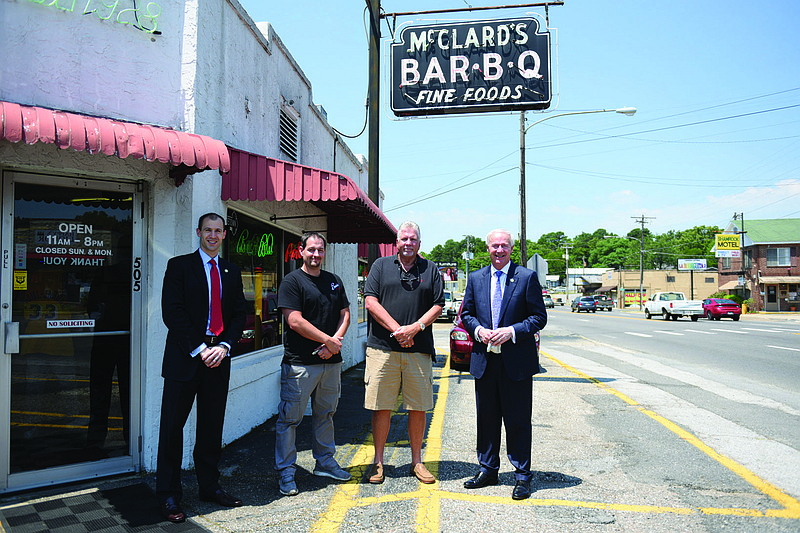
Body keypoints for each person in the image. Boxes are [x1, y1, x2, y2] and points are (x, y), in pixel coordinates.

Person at [156, 213, 247, 523]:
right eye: (207, 230)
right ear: (198, 232)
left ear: (223, 235)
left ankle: (209, 486)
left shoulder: (232, 272)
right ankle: (169, 494)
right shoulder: (180, 266)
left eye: (217, 231)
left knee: (210, 429)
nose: (212, 235)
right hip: (186, 357)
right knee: (172, 429)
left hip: (218, 359)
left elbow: (238, 315)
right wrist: (200, 348)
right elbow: (173, 312)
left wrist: (223, 346)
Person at [459, 229, 547, 500]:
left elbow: (538, 317)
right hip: (485, 360)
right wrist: (477, 331)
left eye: (504, 246)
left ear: (512, 248)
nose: (499, 250)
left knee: (518, 420)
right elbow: (466, 313)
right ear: (487, 248)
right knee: (487, 419)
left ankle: (522, 476)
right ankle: (488, 469)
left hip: (516, 362)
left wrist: (512, 331)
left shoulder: (526, 277)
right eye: (495, 246)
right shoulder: (475, 278)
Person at [363, 221, 444, 485]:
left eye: (413, 239)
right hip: (382, 348)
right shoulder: (380, 266)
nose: (408, 243)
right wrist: (399, 330)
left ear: (420, 243)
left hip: (418, 350)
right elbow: (370, 301)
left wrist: (416, 328)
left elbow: (438, 305)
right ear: (396, 242)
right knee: (381, 406)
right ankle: (378, 462)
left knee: (418, 407)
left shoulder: (430, 269)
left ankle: (417, 462)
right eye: (404, 239)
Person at [275, 232, 352, 496]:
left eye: (320, 250)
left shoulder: (333, 281)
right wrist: (328, 340)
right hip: (300, 365)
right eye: (311, 250)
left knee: (325, 414)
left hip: (331, 363)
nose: (316, 255)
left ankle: (325, 462)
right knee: (290, 420)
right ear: (301, 251)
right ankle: (286, 472)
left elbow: (345, 314)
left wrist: (334, 343)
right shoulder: (292, 282)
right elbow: (294, 320)